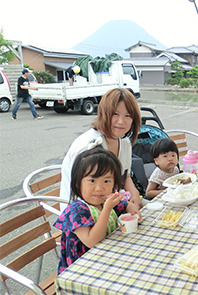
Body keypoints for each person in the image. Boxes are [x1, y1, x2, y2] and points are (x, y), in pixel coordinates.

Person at [54, 146, 140, 274]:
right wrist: (106, 209)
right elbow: (91, 241)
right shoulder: (76, 210)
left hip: (107, 260)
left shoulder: (105, 201)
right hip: (82, 270)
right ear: (78, 183)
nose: (99, 188)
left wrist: (133, 209)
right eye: (92, 180)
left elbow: (126, 205)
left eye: (106, 181)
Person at [60, 88, 142, 213]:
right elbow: (82, 195)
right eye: (115, 114)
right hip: (83, 215)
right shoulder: (88, 147)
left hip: (109, 204)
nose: (121, 121)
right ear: (104, 113)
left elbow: (126, 177)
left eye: (128, 115)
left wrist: (134, 195)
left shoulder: (124, 142)